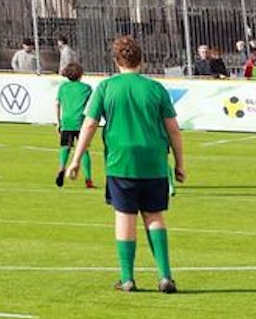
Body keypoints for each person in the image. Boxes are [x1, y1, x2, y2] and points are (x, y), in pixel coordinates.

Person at [62, 34, 184, 293]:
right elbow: (173, 129)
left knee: (125, 216)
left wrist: (75, 160)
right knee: (154, 214)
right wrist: (180, 164)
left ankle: (127, 278)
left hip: (121, 162)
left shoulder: (106, 88)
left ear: (116, 61)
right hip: (153, 161)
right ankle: (165, 276)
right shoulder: (155, 89)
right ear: (142, 60)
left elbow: (90, 124)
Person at [56, 61, 95, 190]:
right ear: (80, 74)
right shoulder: (86, 88)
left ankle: (61, 168)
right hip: (80, 122)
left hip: (66, 121)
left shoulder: (63, 87)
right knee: (83, 150)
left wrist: (58, 122)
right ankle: (88, 179)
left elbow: (57, 103)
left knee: (64, 147)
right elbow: (91, 106)